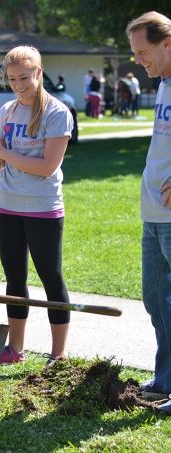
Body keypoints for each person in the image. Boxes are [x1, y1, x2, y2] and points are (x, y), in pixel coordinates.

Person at [0, 45, 73, 366]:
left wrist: (1, 150)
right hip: (8, 206)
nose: (18, 85)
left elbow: (47, 166)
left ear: (38, 73)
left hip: (43, 209)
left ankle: (58, 353)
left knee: (51, 277)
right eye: (12, 79)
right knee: (14, 280)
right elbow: (2, 163)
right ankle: (14, 348)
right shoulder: (6, 111)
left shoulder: (57, 113)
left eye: (24, 78)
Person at [126, 10, 171, 414]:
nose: (139, 61)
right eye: (135, 54)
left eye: (143, 52)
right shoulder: (163, 85)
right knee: (156, 300)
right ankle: (166, 378)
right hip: (154, 212)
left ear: (167, 43)